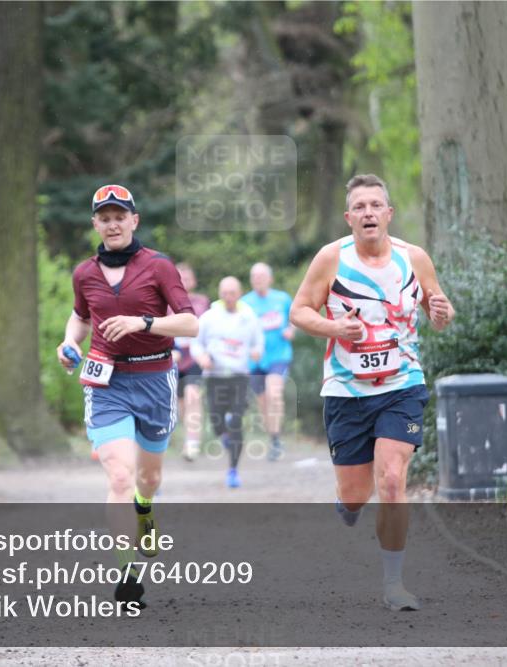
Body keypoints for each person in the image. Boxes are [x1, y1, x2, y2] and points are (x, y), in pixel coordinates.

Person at [289, 174, 455, 612]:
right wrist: (333, 327)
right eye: (359, 207)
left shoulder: (414, 258)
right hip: (345, 390)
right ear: (349, 218)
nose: (367, 213)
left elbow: (439, 308)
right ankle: (347, 505)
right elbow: (298, 311)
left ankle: (394, 583)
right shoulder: (331, 259)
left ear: (388, 213)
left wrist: (442, 312)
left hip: (402, 385)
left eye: (374, 205)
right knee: (355, 494)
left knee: (394, 480)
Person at [57, 184, 198, 608]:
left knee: (147, 479)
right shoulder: (84, 273)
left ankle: (145, 507)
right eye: (105, 217)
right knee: (119, 474)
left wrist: (143, 323)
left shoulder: (158, 266)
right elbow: (81, 317)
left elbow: (190, 324)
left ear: (134, 220)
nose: (113, 224)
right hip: (107, 382)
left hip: (156, 379)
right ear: (95, 224)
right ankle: (128, 573)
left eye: (121, 216)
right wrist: (69, 344)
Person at [191, 276, 263, 489]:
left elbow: (258, 341)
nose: (228, 297)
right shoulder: (209, 317)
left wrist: (257, 351)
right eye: (224, 293)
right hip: (214, 376)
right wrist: (201, 357)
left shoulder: (249, 316)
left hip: (239, 376)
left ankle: (233, 470)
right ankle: (224, 438)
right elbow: (196, 343)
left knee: (236, 422)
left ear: (239, 293)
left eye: (232, 293)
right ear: (220, 293)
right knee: (217, 422)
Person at [241, 262, 295, 461]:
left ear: (270, 279)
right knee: (263, 403)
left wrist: (291, 330)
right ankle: (274, 438)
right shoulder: (245, 303)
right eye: (254, 277)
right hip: (255, 360)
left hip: (278, 355)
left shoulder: (282, 299)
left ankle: (276, 439)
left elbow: (294, 318)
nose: (258, 280)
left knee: (274, 393)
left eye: (262, 276)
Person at [171, 263, 210, 461]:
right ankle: (186, 439)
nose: (184, 282)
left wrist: (208, 353)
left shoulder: (203, 302)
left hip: (196, 358)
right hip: (173, 361)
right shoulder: (166, 303)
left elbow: (212, 329)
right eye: (180, 278)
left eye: (187, 278)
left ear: (194, 281)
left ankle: (192, 444)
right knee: (181, 405)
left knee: (193, 396)